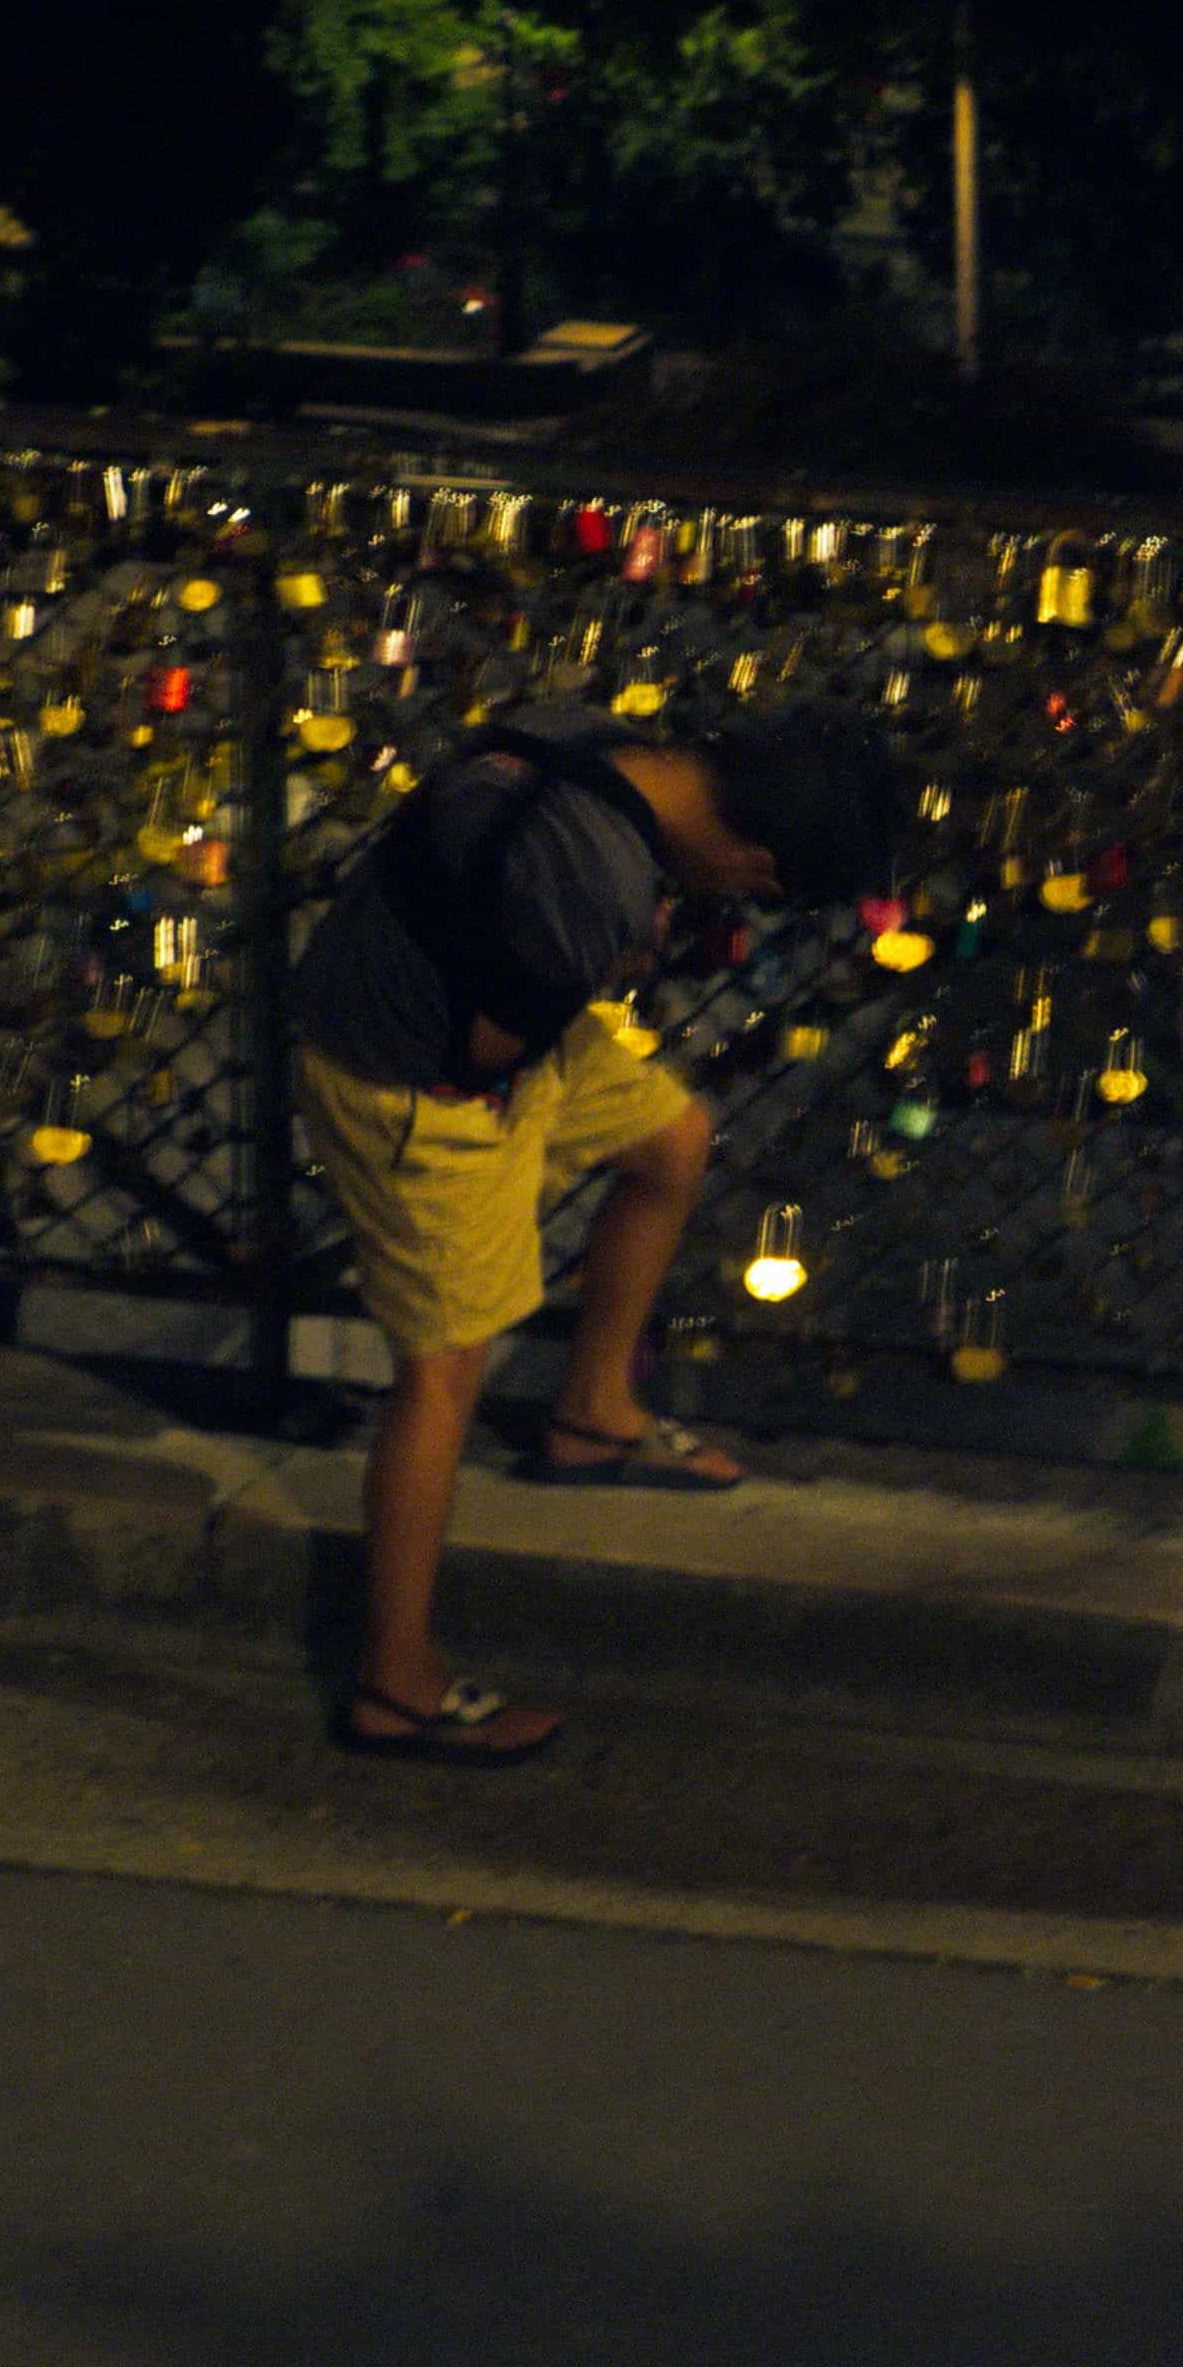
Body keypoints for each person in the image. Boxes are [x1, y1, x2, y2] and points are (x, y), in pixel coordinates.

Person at [290, 698, 899, 1765]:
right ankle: (394, 1685)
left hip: (453, 1022)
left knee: (669, 1140)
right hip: (421, 1085)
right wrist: (603, 969)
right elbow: (490, 1042)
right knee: (442, 1370)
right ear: (752, 854)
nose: (741, 898)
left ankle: (594, 1414)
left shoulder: (576, 734)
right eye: (762, 884)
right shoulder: (603, 881)